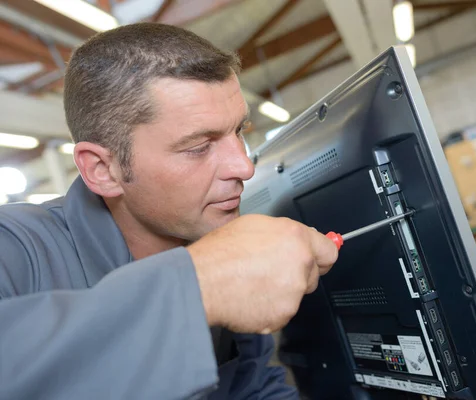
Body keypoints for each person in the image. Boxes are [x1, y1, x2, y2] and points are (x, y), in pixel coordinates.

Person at [0, 23, 338, 399]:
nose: (243, 166)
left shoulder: (205, 239)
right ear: (103, 170)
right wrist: (199, 288)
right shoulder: (15, 249)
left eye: (238, 131)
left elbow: (253, 387)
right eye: (198, 146)